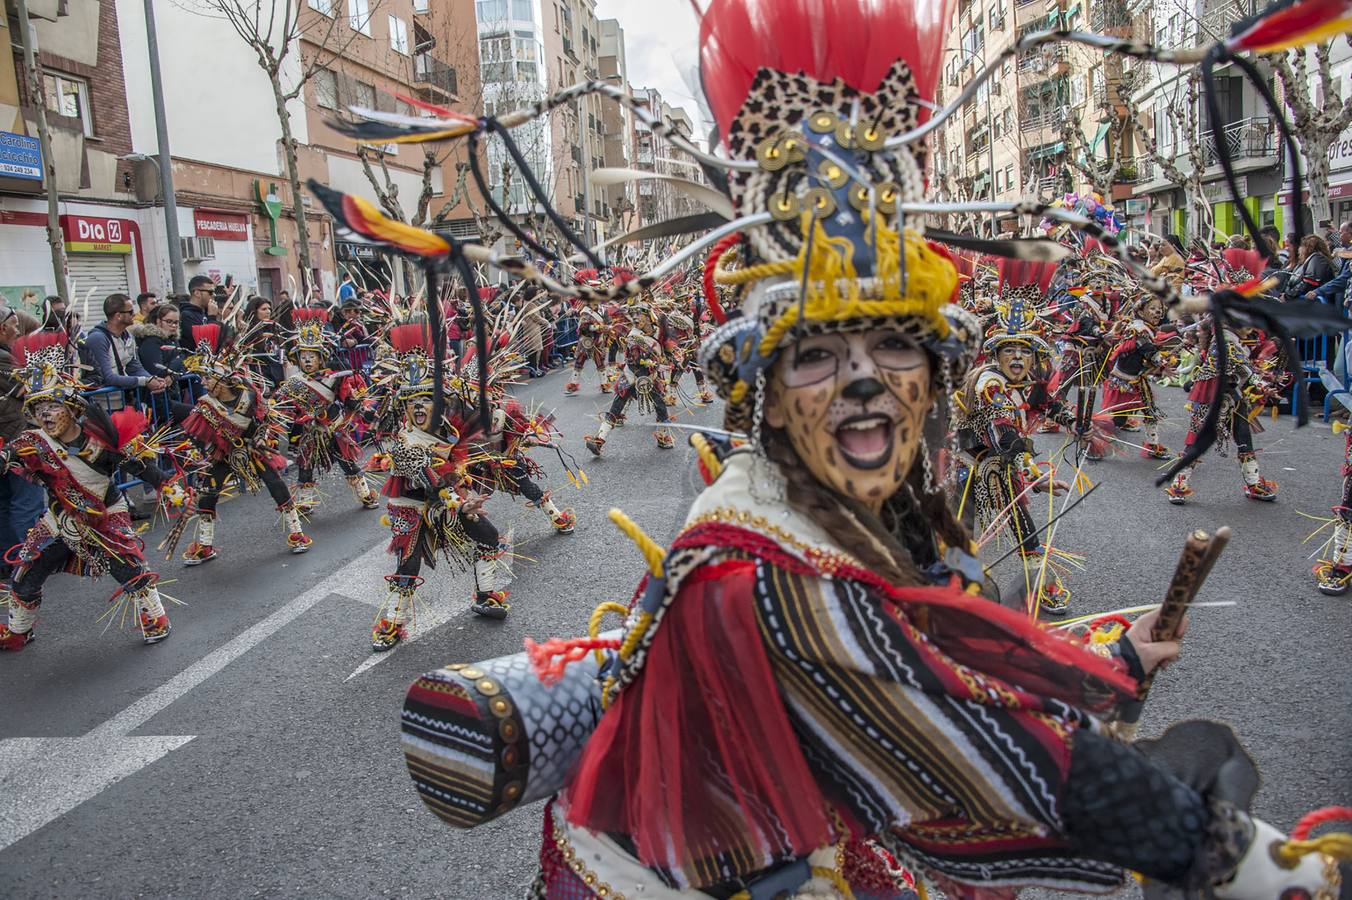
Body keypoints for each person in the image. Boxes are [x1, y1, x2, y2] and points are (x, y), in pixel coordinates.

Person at [0, 332, 175, 650]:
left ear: (71, 407)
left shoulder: (98, 440)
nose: (46, 415)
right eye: (39, 410)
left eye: (53, 406)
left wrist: (166, 484)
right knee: (25, 574)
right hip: (60, 520)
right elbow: (8, 455)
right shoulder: (33, 442)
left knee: (128, 568)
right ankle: (18, 630)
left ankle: (155, 616)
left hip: (104, 515)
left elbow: (138, 466)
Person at [371, 322, 513, 651]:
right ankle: (391, 623)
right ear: (403, 407)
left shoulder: (449, 432)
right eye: (412, 403)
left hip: (446, 502)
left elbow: (457, 468)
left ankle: (485, 594)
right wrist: (460, 503)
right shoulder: (405, 443)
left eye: (426, 400)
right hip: (412, 506)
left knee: (489, 536)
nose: (419, 408)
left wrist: (465, 491)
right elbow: (433, 484)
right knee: (408, 563)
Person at [177, 323, 312, 565]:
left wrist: (261, 436)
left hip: (252, 449)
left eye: (208, 378)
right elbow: (199, 435)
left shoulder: (249, 396)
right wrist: (204, 456)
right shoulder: (206, 404)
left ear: (223, 379)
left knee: (275, 484)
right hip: (223, 454)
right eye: (203, 378)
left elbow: (265, 418)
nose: (204, 384)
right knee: (208, 494)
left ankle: (297, 532)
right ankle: (205, 545)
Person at [273, 308, 378, 514]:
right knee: (306, 467)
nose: (308, 361)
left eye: (312, 356)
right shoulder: (294, 383)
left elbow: (347, 398)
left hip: (335, 428)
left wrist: (362, 410)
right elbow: (282, 407)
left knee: (347, 462)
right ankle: (305, 501)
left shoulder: (334, 376)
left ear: (321, 358)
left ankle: (365, 493)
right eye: (303, 357)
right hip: (311, 432)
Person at [583, 302, 676, 455]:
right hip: (633, 375)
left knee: (660, 406)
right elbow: (635, 360)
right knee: (616, 406)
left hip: (649, 376)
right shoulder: (633, 336)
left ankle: (663, 436)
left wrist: (671, 358)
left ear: (648, 317)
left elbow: (666, 349)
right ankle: (598, 440)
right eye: (634, 315)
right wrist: (655, 366)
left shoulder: (659, 331)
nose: (636, 318)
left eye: (640, 315)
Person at [0, 305, 46, 572]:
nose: (18, 331)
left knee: (7, 502)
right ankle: (28, 560)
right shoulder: (4, 358)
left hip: (7, 438)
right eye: (15, 325)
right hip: (14, 438)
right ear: (3, 328)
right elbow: (27, 390)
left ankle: (9, 562)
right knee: (25, 500)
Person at [84, 293, 173, 398]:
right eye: (130, 312)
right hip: (103, 402)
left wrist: (151, 379)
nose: (134, 315)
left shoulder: (128, 336)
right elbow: (107, 377)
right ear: (118, 316)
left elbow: (135, 367)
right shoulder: (98, 338)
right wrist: (145, 381)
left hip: (125, 399)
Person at [133, 302, 187, 379]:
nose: (174, 325)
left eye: (176, 322)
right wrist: (179, 361)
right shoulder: (151, 341)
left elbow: (184, 365)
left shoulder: (173, 338)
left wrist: (172, 375)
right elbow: (157, 370)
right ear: (158, 321)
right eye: (169, 321)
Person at [1284, 234, 1336, 302]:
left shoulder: (1317, 259)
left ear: (1307, 248)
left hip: (1313, 304)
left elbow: (1309, 282)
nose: (1299, 250)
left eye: (1301, 246)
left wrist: (1288, 296)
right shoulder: (1304, 262)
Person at [179, 275, 220, 347]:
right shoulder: (186, 315)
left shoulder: (205, 311)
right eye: (210, 292)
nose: (214, 295)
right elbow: (204, 342)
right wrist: (212, 317)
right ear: (197, 293)